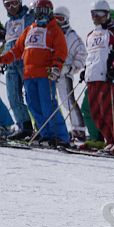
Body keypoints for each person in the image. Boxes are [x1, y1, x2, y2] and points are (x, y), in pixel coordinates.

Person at [0, 0, 69, 146]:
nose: (40, 15)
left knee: (48, 105)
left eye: (43, 11)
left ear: (50, 12)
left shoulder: (54, 29)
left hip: (45, 74)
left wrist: (56, 66)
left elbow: (61, 50)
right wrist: (3, 59)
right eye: (37, 12)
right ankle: (46, 135)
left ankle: (61, 137)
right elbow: (16, 50)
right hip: (29, 74)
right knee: (34, 106)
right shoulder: (29, 29)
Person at [81, 0, 114, 156]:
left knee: (108, 111)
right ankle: (110, 140)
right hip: (92, 77)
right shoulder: (91, 35)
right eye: (94, 14)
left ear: (107, 14)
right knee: (95, 112)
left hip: (106, 78)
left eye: (100, 14)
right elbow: (91, 56)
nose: (97, 17)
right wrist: (85, 70)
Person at [53, 5, 86, 142]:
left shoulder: (72, 36)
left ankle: (79, 130)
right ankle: (52, 128)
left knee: (68, 101)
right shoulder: (51, 34)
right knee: (50, 101)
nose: (57, 22)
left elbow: (82, 54)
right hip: (50, 73)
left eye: (60, 19)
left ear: (66, 19)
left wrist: (72, 68)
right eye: (55, 19)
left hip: (64, 74)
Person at [2, 0, 34, 140]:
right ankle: (24, 126)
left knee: (31, 96)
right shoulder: (8, 23)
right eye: (7, 5)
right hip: (11, 64)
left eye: (14, 3)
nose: (11, 7)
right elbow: (8, 43)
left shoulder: (28, 17)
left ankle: (42, 127)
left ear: (20, 2)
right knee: (13, 96)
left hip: (25, 62)